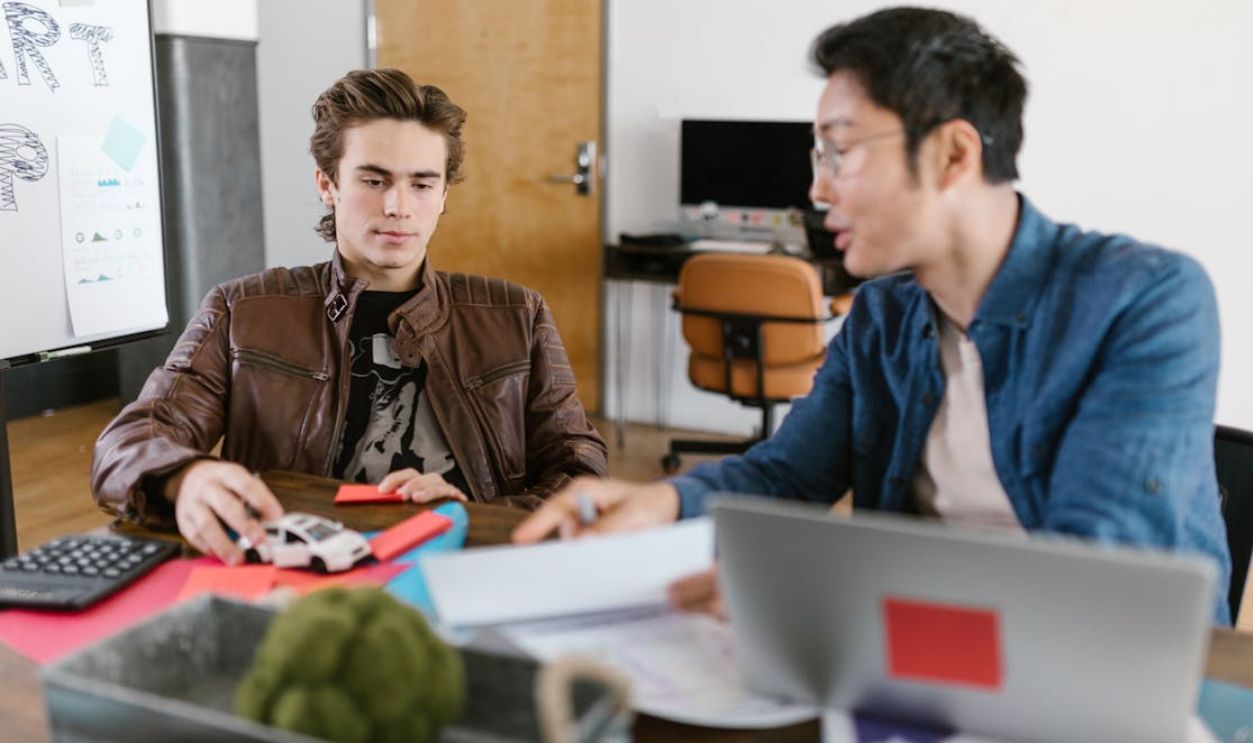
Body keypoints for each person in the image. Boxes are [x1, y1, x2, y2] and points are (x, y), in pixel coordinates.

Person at [515, 7, 1233, 624]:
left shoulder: (1144, 299)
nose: (816, 188)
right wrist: (663, 504)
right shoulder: (883, 314)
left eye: (839, 150)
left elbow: (1095, 577)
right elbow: (788, 477)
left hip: (1117, 675)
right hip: (912, 656)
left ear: (953, 153)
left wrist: (827, 595)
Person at [93, 68, 607, 564]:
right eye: (374, 180)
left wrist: (474, 515)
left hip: (462, 568)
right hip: (292, 571)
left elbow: (580, 470)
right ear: (327, 184)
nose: (398, 206)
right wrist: (183, 477)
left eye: (422, 184)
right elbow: (129, 441)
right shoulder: (244, 310)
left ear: (444, 194)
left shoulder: (517, 316)